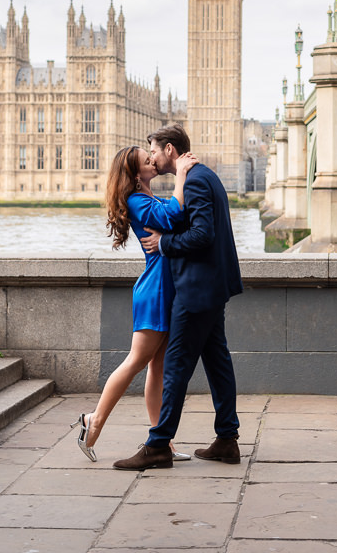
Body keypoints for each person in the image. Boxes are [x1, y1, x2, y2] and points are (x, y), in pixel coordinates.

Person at [113, 124, 243, 471]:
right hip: (211, 286)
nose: (152, 157)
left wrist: (164, 244)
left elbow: (202, 234)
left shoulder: (196, 179)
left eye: (153, 150)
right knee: (217, 363)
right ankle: (227, 439)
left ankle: (158, 445)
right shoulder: (200, 175)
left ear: (170, 150)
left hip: (197, 289)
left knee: (174, 369)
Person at [70, 143, 197, 462]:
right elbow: (174, 214)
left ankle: (161, 441)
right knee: (137, 361)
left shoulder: (148, 197)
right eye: (146, 160)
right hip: (155, 291)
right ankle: (93, 420)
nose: (153, 161)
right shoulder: (137, 200)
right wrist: (181, 173)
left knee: (158, 367)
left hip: (166, 289)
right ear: (135, 173)